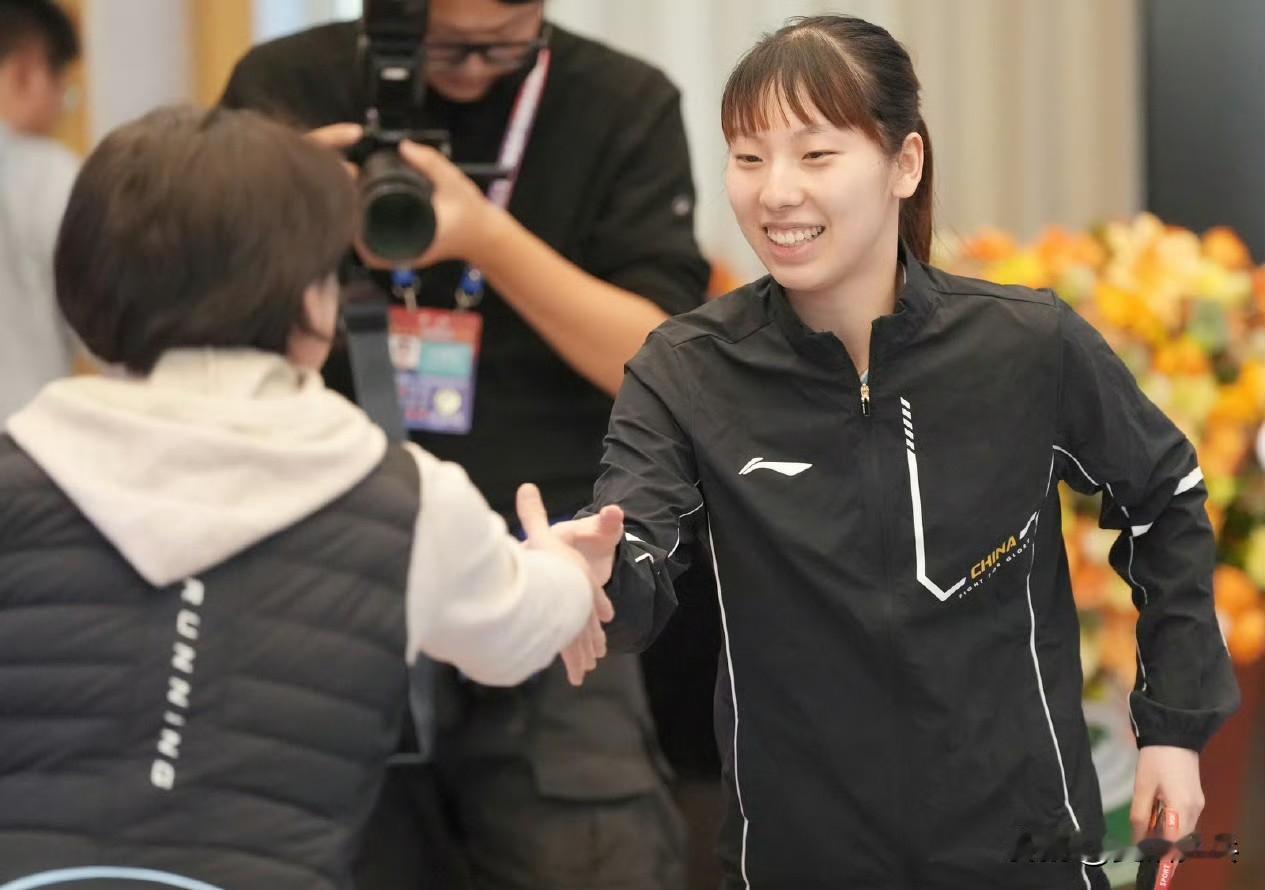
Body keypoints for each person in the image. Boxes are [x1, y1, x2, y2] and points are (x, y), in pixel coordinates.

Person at [557, 15, 1242, 890]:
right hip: (797, 859)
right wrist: (590, 574)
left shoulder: (1024, 344)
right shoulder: (686, 371)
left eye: (815, 154)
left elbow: (1165, 497)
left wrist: (1173, 729)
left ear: (903, 163)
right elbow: (636, 558)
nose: (775, 192)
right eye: (748, 157)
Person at [0, 105, 617, 890]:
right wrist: (565, 570)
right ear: (313, 297)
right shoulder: (405, 498)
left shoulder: (18, 470)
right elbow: (515, 634)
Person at [220, 1, 707, 887]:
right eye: (446, 44)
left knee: (592, 856)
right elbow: (208, 331)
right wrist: (285, 212)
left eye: (503, 46)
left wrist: (485, 236)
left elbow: (656, 361)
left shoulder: (621, 103)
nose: (474, 69)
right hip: (322, 566)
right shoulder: (285, 87)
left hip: (551, 555)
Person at [0, 0, 80, 421]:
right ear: (27, 70)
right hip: (24, 434)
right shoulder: (51, 176)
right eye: (61, 87)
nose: (61, 106)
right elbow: (106, 329)